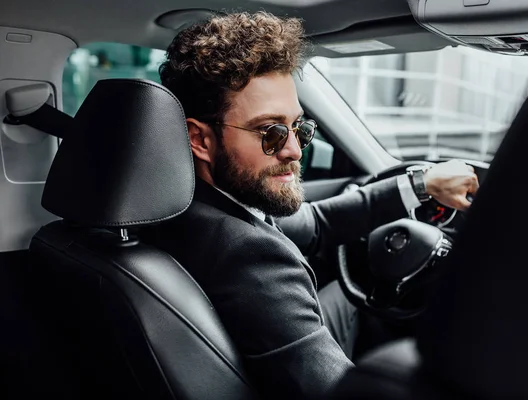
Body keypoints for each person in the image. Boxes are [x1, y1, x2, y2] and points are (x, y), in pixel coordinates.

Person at [140, 11, 479, 400]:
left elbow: (315, 224)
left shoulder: (163, 206)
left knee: (349, 299)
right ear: (199, 139)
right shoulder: (251, 257)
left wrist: (421, 184)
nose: (294, 150)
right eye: (271, 132)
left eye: (300, 128)